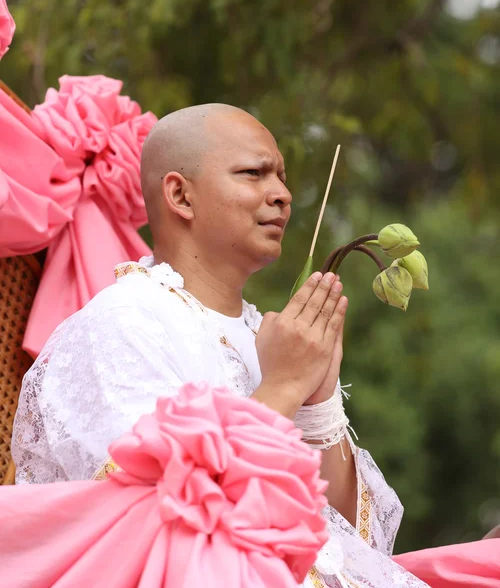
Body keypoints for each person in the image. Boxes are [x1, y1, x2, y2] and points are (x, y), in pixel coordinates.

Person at [12, 104, 426, 587]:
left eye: (283, 178)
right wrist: (286, 384)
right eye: (254, 174)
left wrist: (319, 401)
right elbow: (160, 523)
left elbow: (350, 545)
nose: (284, 195)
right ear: (180, 195)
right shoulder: (122, 323)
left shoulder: (265, 337)